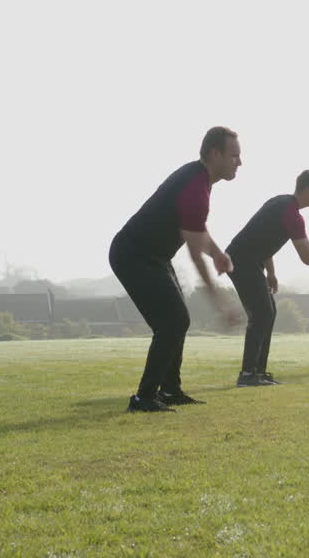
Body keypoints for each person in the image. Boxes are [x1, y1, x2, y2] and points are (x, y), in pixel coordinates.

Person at [109, 126, 242, 413]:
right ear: (214, 153)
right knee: (172, 321)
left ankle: (169, 390)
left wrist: (218, 253)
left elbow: (197, 231)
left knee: (177, 320)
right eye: (234, 156)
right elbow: (195, 255)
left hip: (154, 256)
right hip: (133, 254)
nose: (239, 163)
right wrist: (222, 304)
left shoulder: (199, 180)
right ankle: (144, 397)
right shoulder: (195, 186)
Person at [226, 170, 309, 388]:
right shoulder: (292, 215)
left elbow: (262, 238)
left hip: (251, 263)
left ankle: (258, 372)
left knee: (268, 312)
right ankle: (248, 374)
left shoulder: (281, 203)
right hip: (241, 262)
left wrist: (271, 272)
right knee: (262, 313)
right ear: (306, 189)